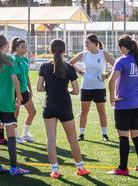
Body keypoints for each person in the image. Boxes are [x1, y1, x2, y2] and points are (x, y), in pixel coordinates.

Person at [37, 39, 90, 179]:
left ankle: (54, 170)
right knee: (72, 138)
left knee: (51, 140)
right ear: (64, 51)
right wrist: (67, 90)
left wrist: (50, 88)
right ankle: (80, 168)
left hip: (49, 106)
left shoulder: (44, 66)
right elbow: (76, 91)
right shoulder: (69, 67)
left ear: (50, 50)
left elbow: (39, 88)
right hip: (65, 107)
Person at [0, 34, 30, 175]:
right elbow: (15, 81)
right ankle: (14, 168)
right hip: (6, 102)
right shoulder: (8, 60)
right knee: (11, 133)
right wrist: (19, 96)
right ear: (5, 46)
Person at [107, 35, 138, 175]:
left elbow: (111, 81)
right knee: (136, 135)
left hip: (123, 103)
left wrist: (112, 97)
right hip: (137, 104)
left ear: (123, 47)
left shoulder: (122, 60)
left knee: (123, 136)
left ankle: (123, 168)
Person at [69, 34, 115, 141]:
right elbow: (70, 63)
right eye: (85, 43)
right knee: (84, 111)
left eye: (87, 43)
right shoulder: (84, 54)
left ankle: (104, 134)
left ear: (95, 44)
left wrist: (107, 75)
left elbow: (116, 64)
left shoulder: (103, 53)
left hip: (99, 87)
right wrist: (80, 72)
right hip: (86, 86)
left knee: (101, 111)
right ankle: (81, 134)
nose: (85, 45)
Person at [10, 37, 36, 143]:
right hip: (16, 91)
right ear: (16, 48)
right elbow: (14, 78)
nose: (25, 48)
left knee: (33, 112)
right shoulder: (13, 60)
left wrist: (30, 89)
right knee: (15, 114)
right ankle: (15, 136)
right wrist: (18, 94)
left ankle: (24, 134)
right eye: (23, 47)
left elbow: (27, 76)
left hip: (24, 91)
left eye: (26, 46)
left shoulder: (25, 59)